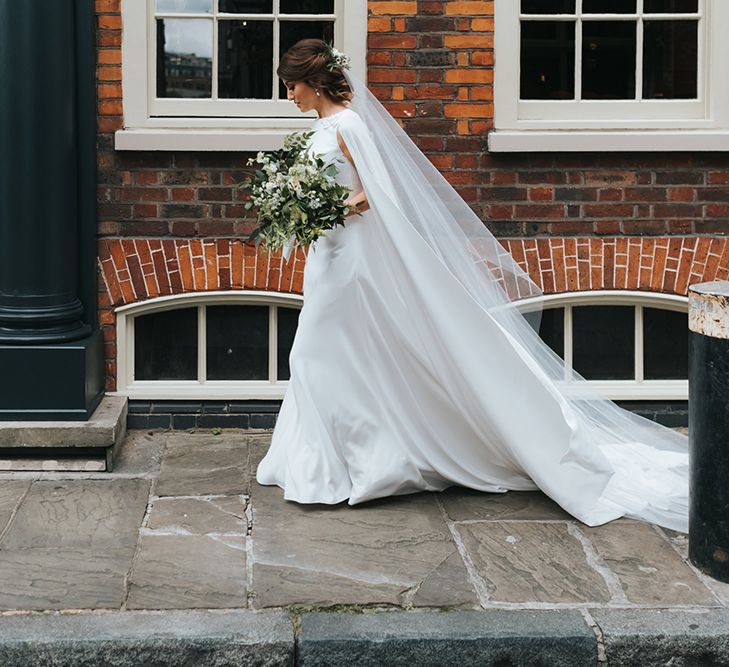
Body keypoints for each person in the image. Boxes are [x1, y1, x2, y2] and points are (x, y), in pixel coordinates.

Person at [255, 39, 689, 533]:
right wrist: (298, 210)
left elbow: (377, 192)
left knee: (314, 350)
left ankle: (351, 464)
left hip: (353, 259)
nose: (289, 96)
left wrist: (326, 210)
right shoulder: (317, 129)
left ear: (314, 81)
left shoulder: (350, 124)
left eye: (292, 86)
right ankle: (330, 460)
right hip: (326, 255)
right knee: (340, 352)